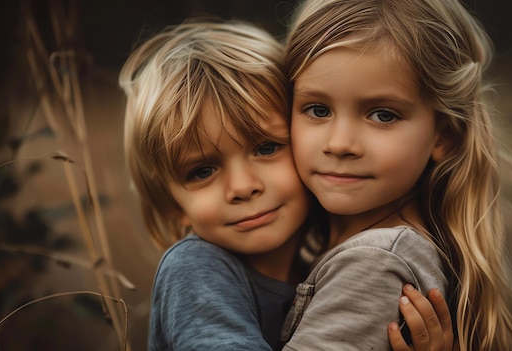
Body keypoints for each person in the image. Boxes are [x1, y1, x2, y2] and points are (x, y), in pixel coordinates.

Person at [120, 19, 454, 351]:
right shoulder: (195, 270)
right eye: (202, 171)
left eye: (266, 148)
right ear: (172, 205)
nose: (242, 187)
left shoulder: (321, 262)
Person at [280, 0, 512, 350]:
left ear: (443, 135)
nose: (341, 144)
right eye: (318, 109)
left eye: (383, 115)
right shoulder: (318, 240)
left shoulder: (373, 264)